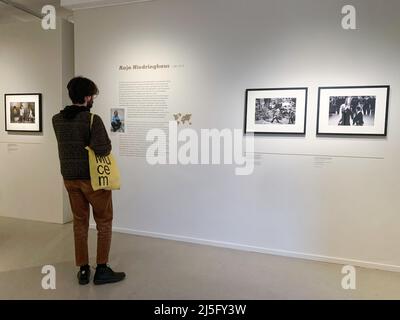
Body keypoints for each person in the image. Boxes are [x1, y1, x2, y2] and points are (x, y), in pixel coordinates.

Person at [52, 76, 126, 286]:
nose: (93, 98)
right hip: (93, 180)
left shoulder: (56, 119)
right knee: (103, 222)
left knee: (79, 223)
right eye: (92, 95)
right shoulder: (92, 119)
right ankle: (101, 269)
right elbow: (102, 149)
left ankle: (83, 270)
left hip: (69, 179)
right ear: (86, 96)